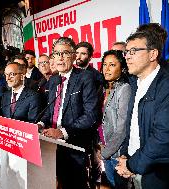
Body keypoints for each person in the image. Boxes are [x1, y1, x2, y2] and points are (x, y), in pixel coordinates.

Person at [115, 31, 169, 189]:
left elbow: (163, 139)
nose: (127, 56)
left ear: (153, 54)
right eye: (126, 52)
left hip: (156, 177)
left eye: (133, 51)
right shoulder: (134, 84)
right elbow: (131, 127)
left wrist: (131, 165)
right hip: (130, 168)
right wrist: (124, 155)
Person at [39, 37, 98, 189]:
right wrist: (40, 124)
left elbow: (90, 115)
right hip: (52, 145)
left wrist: (62, 132)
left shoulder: (86, 77)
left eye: (64, 53)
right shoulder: (53, 80)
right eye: (56, 53)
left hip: (75, 146)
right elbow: (50, 111)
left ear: (73, 55)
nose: (60, 57)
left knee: (76, 185)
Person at [0, 62, 41, 189]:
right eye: (6, 75)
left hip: (23, 146)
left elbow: (32, 122)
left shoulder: (33, 96)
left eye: (12, 74)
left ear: (22, 75)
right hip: (6, 145)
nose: (8, 78)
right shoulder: (5, 96)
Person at [100, 50, 131, 188]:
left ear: (123, 68)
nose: (106, 69)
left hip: (116, 155)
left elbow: (121, 129)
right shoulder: (106, 89)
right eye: (104, 64)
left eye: (112, 65)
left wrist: (105, 153)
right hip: (105, 150)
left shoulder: (124, 89)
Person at [75, 41, 104, 189]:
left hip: (92, 126)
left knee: (94, 159)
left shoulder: (97, 77)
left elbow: (97, 104)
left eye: (83, 53)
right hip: (73, 126)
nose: (79, 56)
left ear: (90, 57)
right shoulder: (70, 73)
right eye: (77, 53)